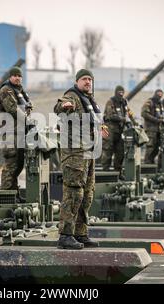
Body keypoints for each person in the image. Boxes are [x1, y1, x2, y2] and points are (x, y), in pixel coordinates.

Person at [54, 68, 109, 250]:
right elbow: (60, 106)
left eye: (90, 79)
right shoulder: (72, 96)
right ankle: (65, 235)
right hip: (74, 154)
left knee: (87, 194)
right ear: (77, 81)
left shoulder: (89, 101)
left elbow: (92, 121)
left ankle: (81, 233)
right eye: (84, 79)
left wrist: (100, 129)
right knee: (73, 193)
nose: (88, 82)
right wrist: (64, 107)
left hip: (88, 152)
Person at [0, 66, 33, 190]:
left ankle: (14, 193)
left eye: (19, 76)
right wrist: (28, 121)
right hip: (10, 134)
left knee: (19, 164)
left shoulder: (21, 92)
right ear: (10, 77)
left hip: (21, 133)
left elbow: (28, 106)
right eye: (15, 75)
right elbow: (12, 109)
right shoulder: (6, 90)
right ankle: (6, 194)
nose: (17, 78)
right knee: (11, 165)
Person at [102, 85, 136, 172]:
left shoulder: (124, 102)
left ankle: (118, 171)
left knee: (120, 151)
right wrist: (123, 119)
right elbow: (110, 115)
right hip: (110, 129)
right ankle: (106, 170)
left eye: (122, 92)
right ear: (116, 92)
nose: (121, 94)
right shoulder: (111, 102)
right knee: (108, 150)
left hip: (120, 131)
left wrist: (135, 122)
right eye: (119, 92)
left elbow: (129, 113)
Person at [141, 89, 164, 164]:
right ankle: (147, 163)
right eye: (158, 94)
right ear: (155, 94)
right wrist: (156, 120)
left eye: (161, 94)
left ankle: (151, 161)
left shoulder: (160, 103)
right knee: (150, 147)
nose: (159, 95)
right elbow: (144, 114)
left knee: (157, 147)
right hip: (150, 128)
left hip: (158, 129)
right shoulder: (149, 102)